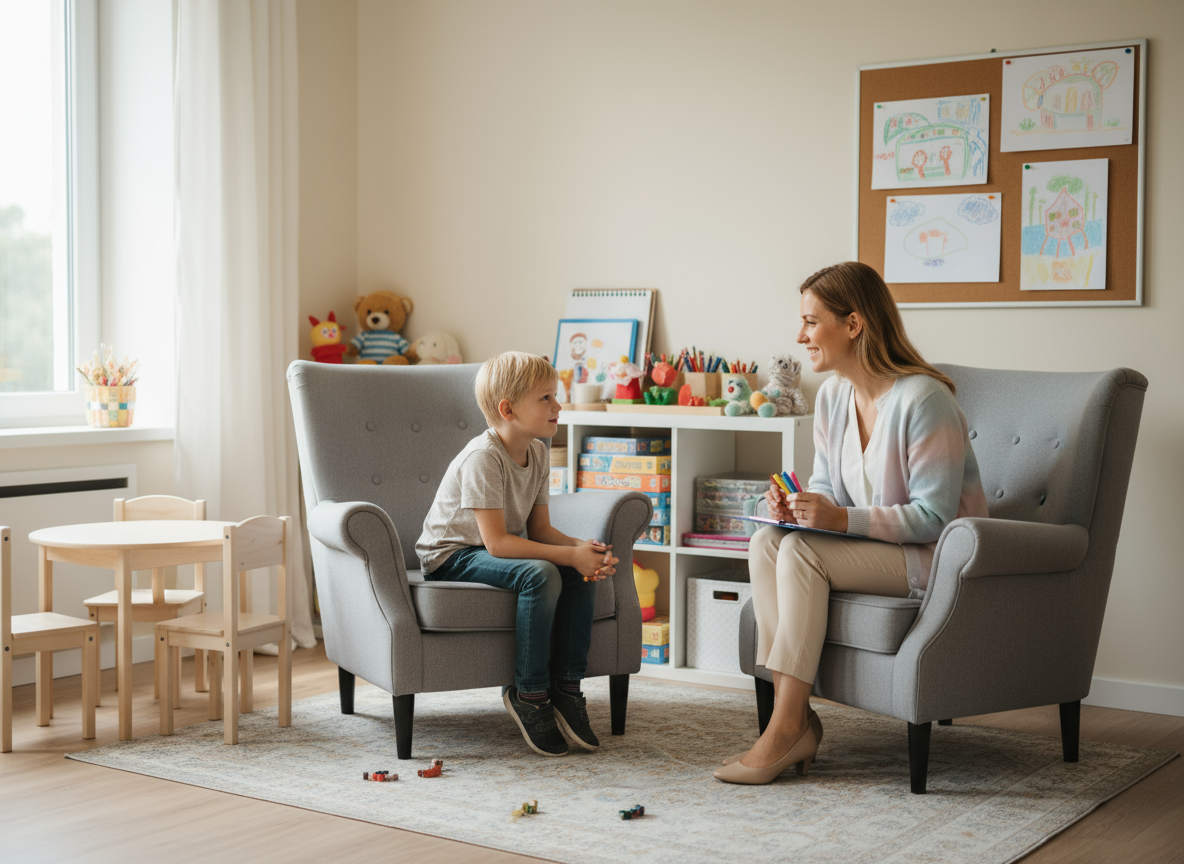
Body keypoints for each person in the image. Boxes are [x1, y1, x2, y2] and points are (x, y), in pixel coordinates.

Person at [714, 261, 989, 785]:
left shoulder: (924, 399)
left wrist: (838, 518)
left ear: (854, 325)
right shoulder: (834, 397)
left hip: (932, 558)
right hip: (873, 550)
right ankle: (795, 718)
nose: (800, 336)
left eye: (810, 322)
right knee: (769, 541)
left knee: (801, 551)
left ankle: (786, 727)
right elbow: (829, 491)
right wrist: (797, 508)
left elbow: (934, 519)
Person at [415, 351, 619, 757]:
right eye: (546, 398)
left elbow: (541, 531)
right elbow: (497, 544)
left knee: (576, 570)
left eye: (555, 396)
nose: (558, 405)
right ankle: (530, 694)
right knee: (540, 573)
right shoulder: (483, 458)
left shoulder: (539, 452)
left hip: (489, 548)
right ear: (508, 410)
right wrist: (568, 556)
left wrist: (583, 550)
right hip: (452, 554)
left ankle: (566, 688)